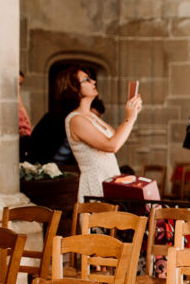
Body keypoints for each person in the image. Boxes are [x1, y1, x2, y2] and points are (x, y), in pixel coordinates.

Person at [56, 66, 142, 202]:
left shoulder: (91, 115)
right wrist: (129, 117)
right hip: (96, 182)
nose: (93, 82)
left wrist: (133, 113)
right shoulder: (75, 119)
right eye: (87, 80)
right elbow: (111, 146)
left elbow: (116, 138)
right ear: (74, 88)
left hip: (109, 177)